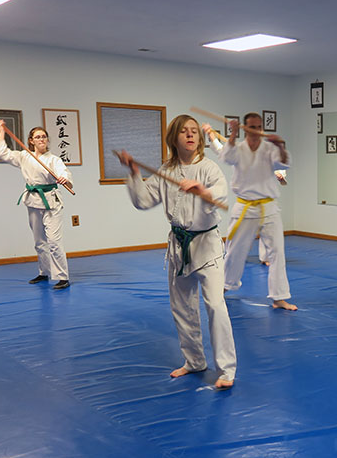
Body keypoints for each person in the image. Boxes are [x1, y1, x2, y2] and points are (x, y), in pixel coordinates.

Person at [117, 114, 237, 389]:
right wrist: (133, 172)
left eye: (194, 131)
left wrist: (201, 190)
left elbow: (220, 194)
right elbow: (143, 200)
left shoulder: (208, 168)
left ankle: (227, 370)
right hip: (179, 247)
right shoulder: (166, 170)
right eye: (184, 131)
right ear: (174, 137)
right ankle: (194, 361)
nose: (191, 135)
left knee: (216, 305)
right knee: (182, 308)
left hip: (207, 245)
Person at [219, 112, 297, 310]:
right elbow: (226, 157)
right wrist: (233, 134)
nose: (256, 130)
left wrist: (280, 146)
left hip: (268, 207)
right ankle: (224, 286)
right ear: (245, 128)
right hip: (244, 206)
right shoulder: (238, 148)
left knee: (277, 252)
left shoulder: (269, 148)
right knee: (234, 251)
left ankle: (279, 298)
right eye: (252, 127)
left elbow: (283, 164)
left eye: (259, 127)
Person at [0, 119, 73, 290]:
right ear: (31, 141)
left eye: (44, 137)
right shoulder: (24, 156)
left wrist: (63, 178)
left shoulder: (54, 160)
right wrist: (1, 131)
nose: (41, 139)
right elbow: (2, 152)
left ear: (47, 140)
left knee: (54, 241)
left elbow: (63, 173)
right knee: (39, 241)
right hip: (33, 200)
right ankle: (44, 272)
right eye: (38, 137)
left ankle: (62, 277)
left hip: (51, 201)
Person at [203, 125, 287, 268]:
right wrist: (211, 135)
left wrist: (280, 177)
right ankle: (232, 255)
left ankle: (267, 257)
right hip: (245, 203)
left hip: (266, 203)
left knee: (269, 233)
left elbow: (283, 181)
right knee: (236, 232)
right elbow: (221, 150)